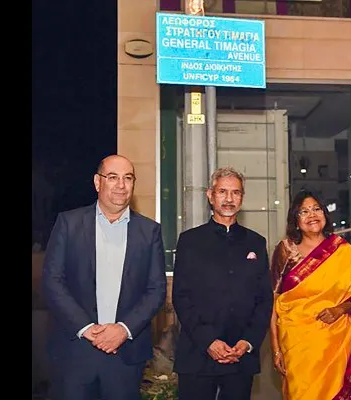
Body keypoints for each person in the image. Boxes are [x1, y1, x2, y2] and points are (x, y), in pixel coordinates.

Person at [42, 154, 167, 400]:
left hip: (125, 355)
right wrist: (87, 328)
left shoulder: (149, 231)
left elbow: (156, 290)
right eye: (112, 177)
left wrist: (123, 329)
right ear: (98, 182)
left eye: (128, 178)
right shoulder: (69, 223)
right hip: (75, 352)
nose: (121, 185)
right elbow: (52, 281)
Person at [269, 190, 351, 400]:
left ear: (325, 214)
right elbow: (273, 301)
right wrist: (276, 350)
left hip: (337, 342)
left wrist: (340, 309)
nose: (312, 215)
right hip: (296, 343)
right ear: (295, 220)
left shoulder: (343, 251)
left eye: (316, 209)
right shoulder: (285, 250)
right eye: (304, 211)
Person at [172, 166, 274, 400]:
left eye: (235, 192)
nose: (229, 199)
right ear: (210, 195)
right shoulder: (190, 241)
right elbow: (181, 296)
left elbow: (264, 299)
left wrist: (248, 342)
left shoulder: (256, 242)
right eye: (222, 192)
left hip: (240, 356)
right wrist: (208, 341)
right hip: (197, 354)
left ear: (242, 198)